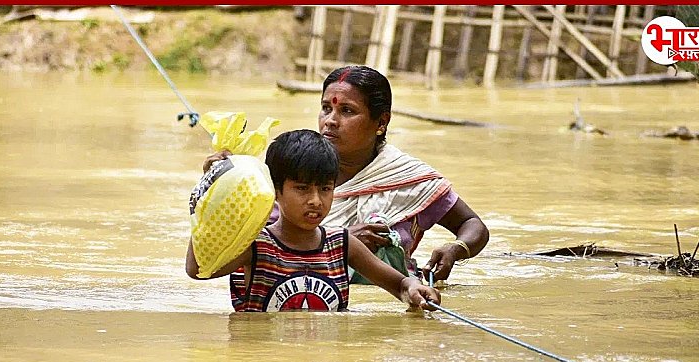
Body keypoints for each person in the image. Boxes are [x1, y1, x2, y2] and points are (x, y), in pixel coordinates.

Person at [203, 65, 489, 284]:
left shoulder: (411, 179)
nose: (330, 121)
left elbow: (473, 224)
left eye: (347, 111)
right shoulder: (283, 172)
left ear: (381, 122)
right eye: (326, 108)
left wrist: (456, 248)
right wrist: (221, 182)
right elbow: (233, 250)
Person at [186, 129, 440, 312]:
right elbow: (198, 270)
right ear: (276, 191)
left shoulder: (343, 244)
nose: (316, 201)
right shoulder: (256, 246)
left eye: (325, 189)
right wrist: (209, 195)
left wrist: (415, 289)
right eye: (303, 189)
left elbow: (399, 285)